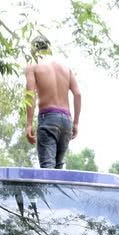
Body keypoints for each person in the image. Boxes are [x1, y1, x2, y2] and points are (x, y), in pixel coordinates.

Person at [24, 35, 81, 169]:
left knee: (48, 169)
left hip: (48, 118)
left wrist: (29, 124)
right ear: (49, 48)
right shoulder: (66, 68)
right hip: (66, 120)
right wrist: (76, 123)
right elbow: (78, 94)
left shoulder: (33, 67)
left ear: (33, 49)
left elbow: (30, 95)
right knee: (59, 168)